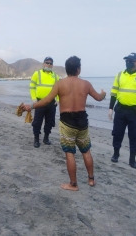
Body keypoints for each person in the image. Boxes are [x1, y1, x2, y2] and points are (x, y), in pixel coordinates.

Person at [24, 56, 106, 191]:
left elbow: (46, 101)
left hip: (67, 122)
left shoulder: (60, 84)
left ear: (66, 69)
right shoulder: (86, 84)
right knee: (86, 151)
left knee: (70, 153)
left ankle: (73, 184)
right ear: (78, 70)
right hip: (82, 121)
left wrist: (31, 106)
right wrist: (103, 94)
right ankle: (91, 179)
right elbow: (98, 98)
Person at [108, 52, 136, 169]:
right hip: (121, 110)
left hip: (135, 112)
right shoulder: (119, 75)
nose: (128, 63)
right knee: (117, 133)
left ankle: (132, 160)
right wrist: (110, 108)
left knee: (134, 136)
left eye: (131, 60)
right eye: (127, 60)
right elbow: (114, 93)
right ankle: (116, 154)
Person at [29, 56, 60, 148]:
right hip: (39, 102)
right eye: (47, 62)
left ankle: (46, 138)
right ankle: (36, 139)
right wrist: (34, 99)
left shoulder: (55, 76)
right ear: (43, 64)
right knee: (37, 121)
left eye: (51, 63)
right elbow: (32, 87)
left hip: (51, 103)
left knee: (49, 122)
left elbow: (59, 89)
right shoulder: (37, 74)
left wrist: (57, 100)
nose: (49, 65)